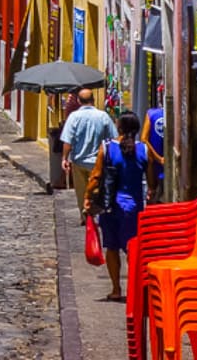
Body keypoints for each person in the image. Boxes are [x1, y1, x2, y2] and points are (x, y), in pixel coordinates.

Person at [85, 111, 157, 301]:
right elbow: (151, 182)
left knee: (112, 247)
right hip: (133, 208)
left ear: (119, 127)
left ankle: (116, 289)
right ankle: (135, 290)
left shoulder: (107, 147)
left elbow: (96, 176)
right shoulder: (144, 150)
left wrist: (87, 197)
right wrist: (150, 193)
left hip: (110, 205)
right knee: (133, 249)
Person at [60, 88, 117, 224]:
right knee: (97, 190)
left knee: (81, 191)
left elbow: (68, 141)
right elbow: (114, 138)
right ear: (93, 100)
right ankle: (97, 216)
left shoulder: (73, 117)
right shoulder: (103, 116)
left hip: (78, 161)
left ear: (78, 101)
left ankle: (85, 217)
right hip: (98, 162)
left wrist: (64, 158)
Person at [141, 100, 165, 198]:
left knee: (154, 194)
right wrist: (159, 159)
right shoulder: (151, 114)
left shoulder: (151, 114)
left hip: (155, 164)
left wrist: (158, 158)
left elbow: (143, 139)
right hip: (159, 164)